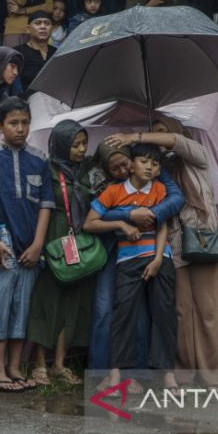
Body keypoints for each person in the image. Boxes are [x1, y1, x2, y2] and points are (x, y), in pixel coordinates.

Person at [106, 118, 218, 389]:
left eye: (161, 134)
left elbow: (175, 142)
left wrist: (137, 136)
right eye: (154, 134)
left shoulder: (197, 156)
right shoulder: (159, 171)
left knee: (208, 311)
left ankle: (212, 377)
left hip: (206, 241)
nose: (157, 139)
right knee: (181, 311)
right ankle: (183, 374)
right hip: (175, 246)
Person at [0, 96, 54, 392]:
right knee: (0, 305)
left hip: (31, 247)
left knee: (23, 306)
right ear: (0, 126)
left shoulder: (40, 159)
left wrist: (38, 244)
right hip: (2, 246)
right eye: (13, 123)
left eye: (25, 123)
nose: (20, 129)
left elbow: (46, 204)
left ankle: (15, 367)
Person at [88, 141, 184, 392]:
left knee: (164, 314)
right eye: (143, 162)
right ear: (131, 165)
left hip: (159, 259)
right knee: (124, 316)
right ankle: (116, 374)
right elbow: (90, 223)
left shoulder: (161, 189)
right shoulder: (114, 192)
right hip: (127, 261)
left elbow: (162, 224)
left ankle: (167, 375)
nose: (150, 167)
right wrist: (121, 225)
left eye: (155, 163)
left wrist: (157, 259)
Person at [27, 121, 98, 386]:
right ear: (60, 144)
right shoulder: (48, 168)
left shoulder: (87, 171)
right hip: (54, 236)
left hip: (79, 240)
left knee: (73, 303)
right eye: (75, 144)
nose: (81, 149)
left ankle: (59, 364)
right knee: (48, 301)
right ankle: (38, 364)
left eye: (84, 143)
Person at [14, 11, 57, 93]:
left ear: (52, 29)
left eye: (47, 23)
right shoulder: (17, 53)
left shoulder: (57, 53)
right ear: (28, 29)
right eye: (38, 23)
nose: (43, 27)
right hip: (26, 102)